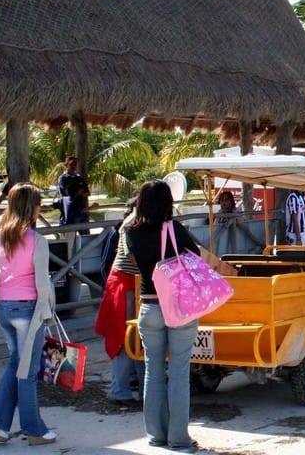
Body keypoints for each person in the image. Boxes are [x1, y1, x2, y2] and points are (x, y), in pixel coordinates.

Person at [123, 180, 236, 450]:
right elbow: (195, 256)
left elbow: (129, 261)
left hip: (149, 307)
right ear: (167, 203)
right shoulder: (173, 229)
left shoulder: (130, 232)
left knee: (152, 371)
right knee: (178, 372)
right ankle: (178, 437)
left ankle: (155, 435)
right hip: (179, 308)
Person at [0, 183, 57, 446]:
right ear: (31, 207)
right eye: (38, 203)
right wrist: (45, 313)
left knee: (17, 363)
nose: (40, 208)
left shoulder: (1, 235)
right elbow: (41, 283)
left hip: (3, 306)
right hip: (28, 308)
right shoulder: (36, 240)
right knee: (28, 369)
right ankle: (33, 428)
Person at [94, 197, 145, 407]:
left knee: (137, 341)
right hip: (126, 286)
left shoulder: (136, 221)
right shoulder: (134, 223)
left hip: (132, 285)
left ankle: (142, 389)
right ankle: (119, 390)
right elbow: (134, 258)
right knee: (127, 340)